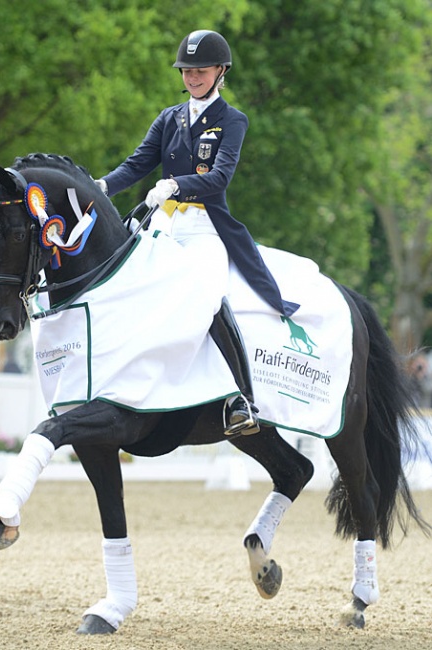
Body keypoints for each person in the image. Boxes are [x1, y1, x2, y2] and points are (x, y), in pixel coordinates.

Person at [96, 30, 298, 436]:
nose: (192, 77)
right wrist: (98, 188)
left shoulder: (232, 120)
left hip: (205, 226)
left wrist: (176, 184)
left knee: (208, 295)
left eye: (200, 70)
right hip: (165, 225)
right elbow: (135, 165)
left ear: (220, 71)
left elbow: (220, 176)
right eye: (187, 71)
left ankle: (239, 397)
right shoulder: (169, 118)